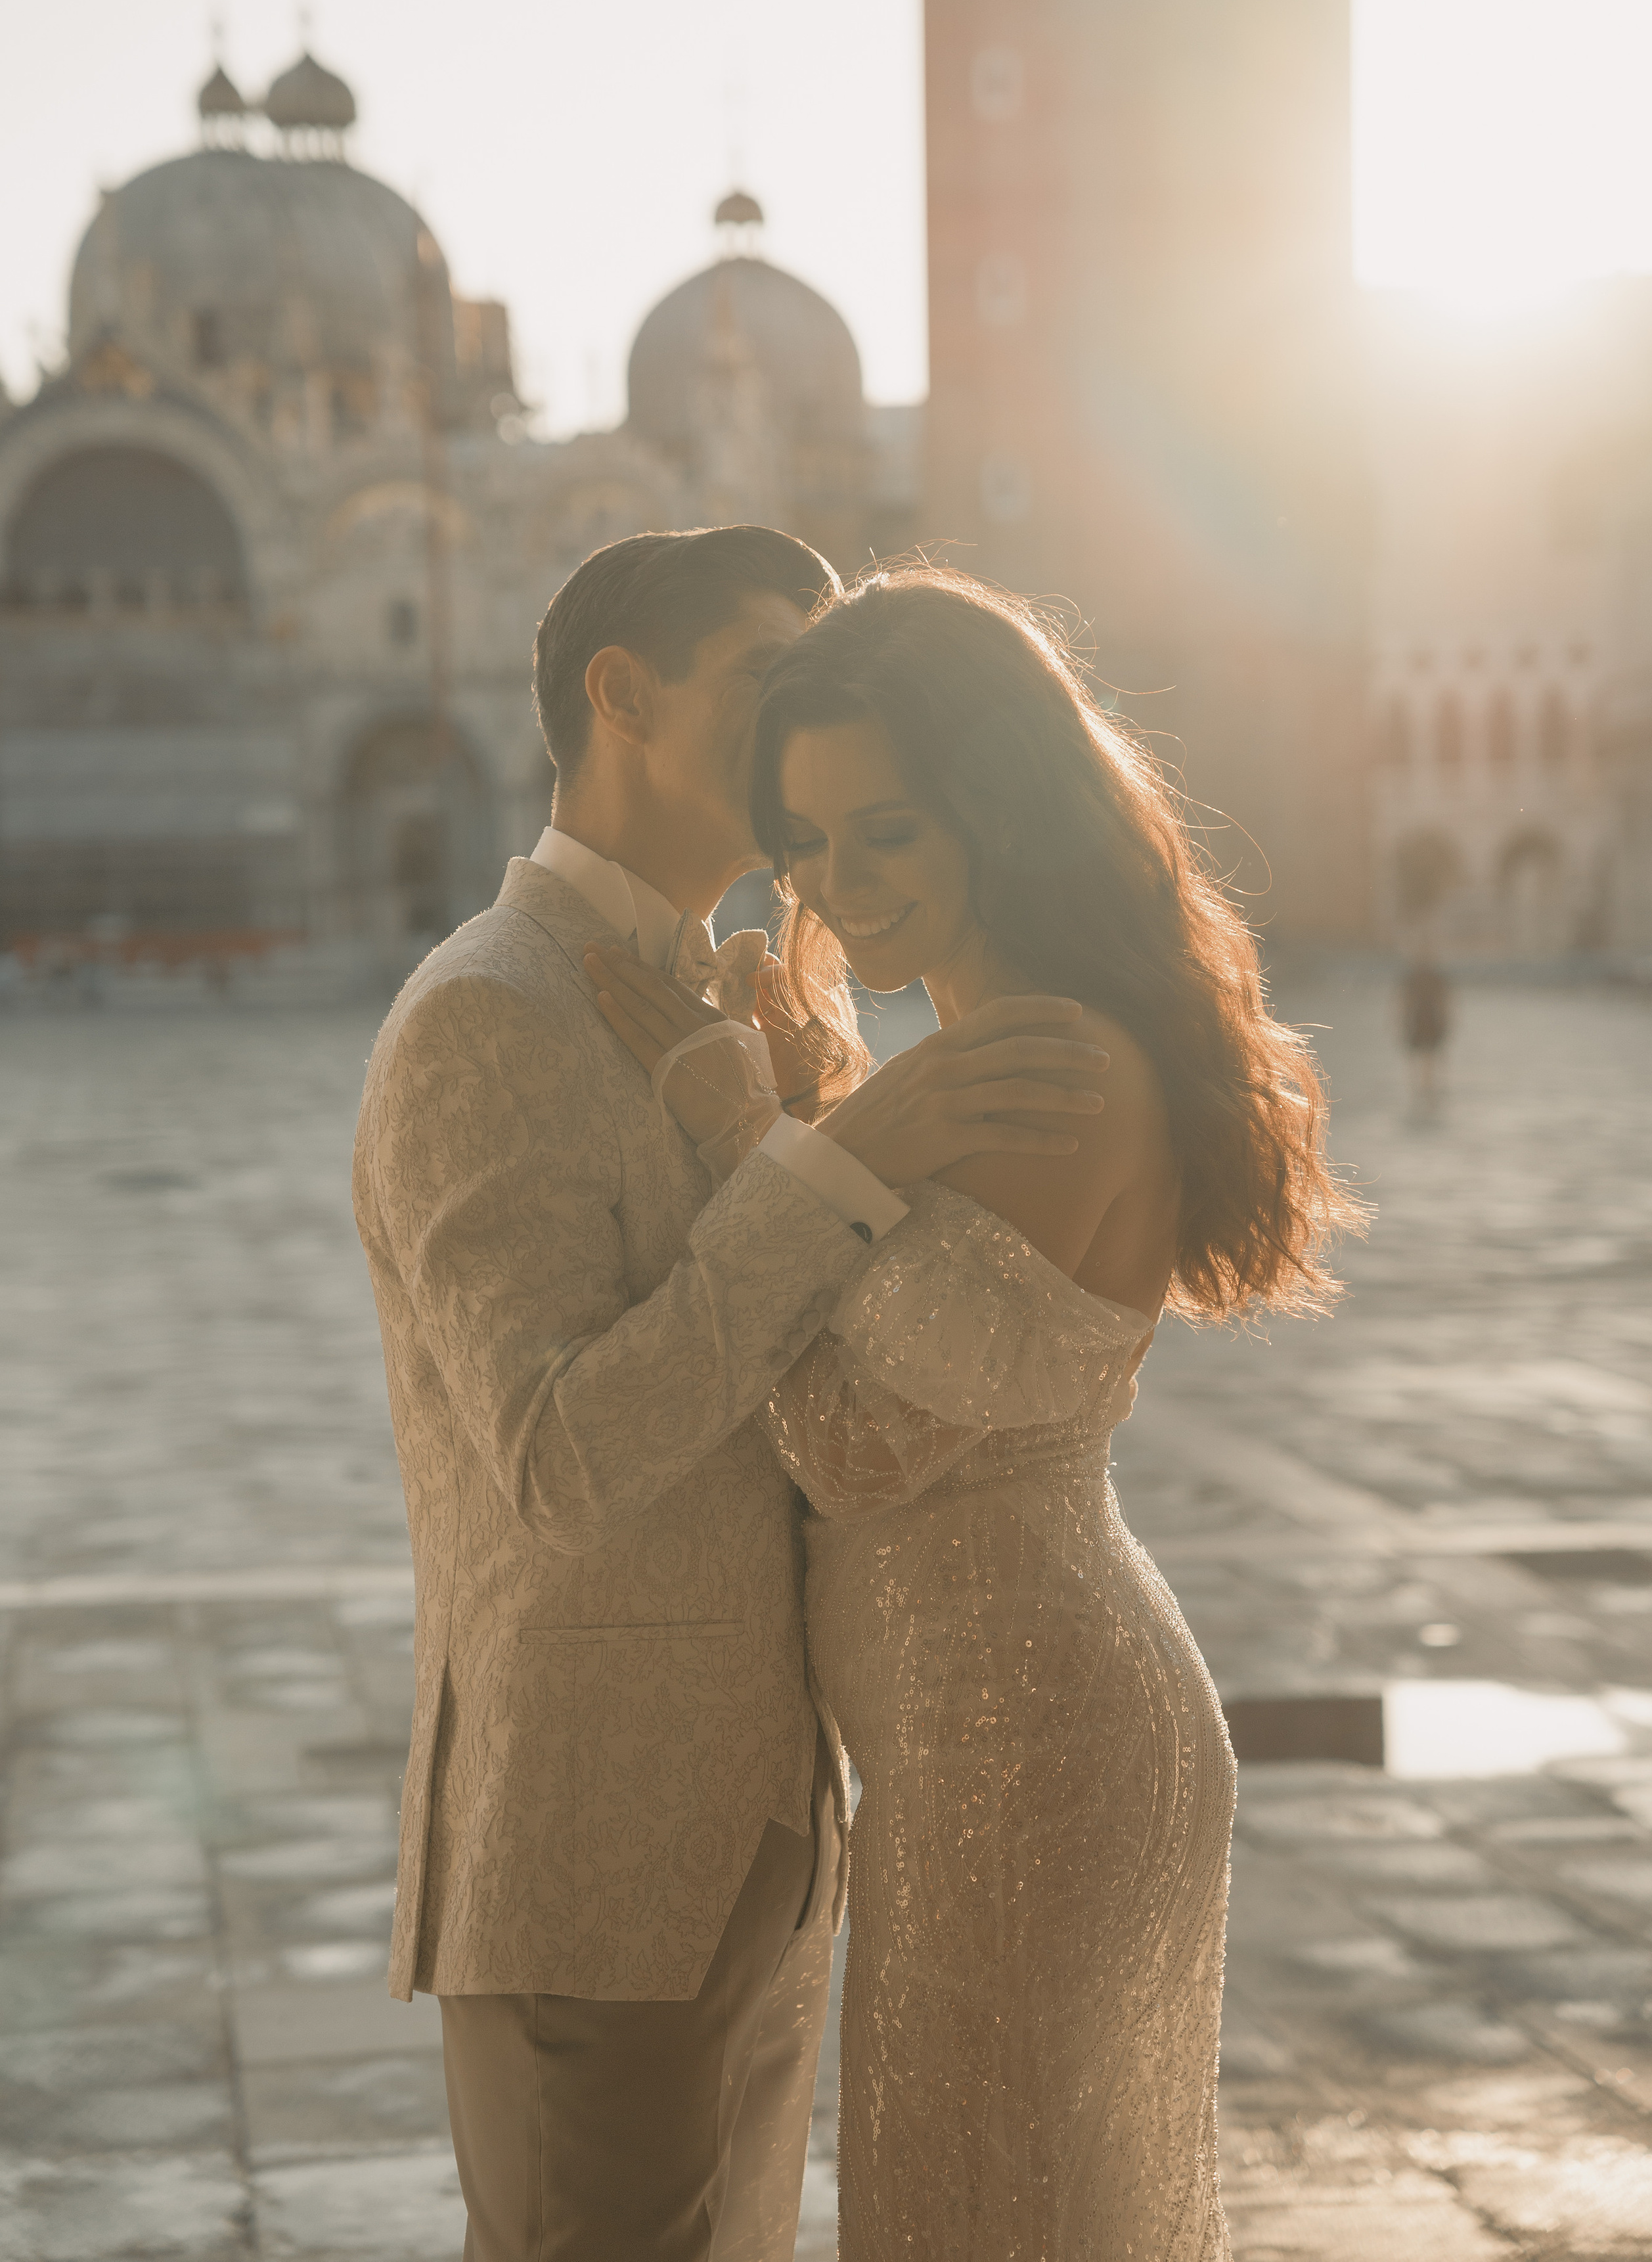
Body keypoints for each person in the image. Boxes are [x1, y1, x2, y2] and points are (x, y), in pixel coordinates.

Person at [351, 528, 1113, 2262]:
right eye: (770, 682)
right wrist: (836, 1159)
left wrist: (805, 1118)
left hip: (764, 1824)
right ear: (623, 696)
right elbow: (556, 1451)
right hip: (594, 1841)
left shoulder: (728, 990)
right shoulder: (486, 1010)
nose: (805, 738)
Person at [589, 567, 1364, 2262]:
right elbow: (892, 1304)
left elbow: (844, 1445)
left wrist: (755, 1134)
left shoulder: (1044, 1065)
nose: (831, 885)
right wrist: (831, 1113)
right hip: (988, 1748)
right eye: (802, 840)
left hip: (1027, 1755)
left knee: (976, 2217)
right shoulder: (976, 1048)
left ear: (996, 812)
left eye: (885, 832)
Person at [1400, 951, 1451, 1112]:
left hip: (1426, 1019)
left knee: (1426, 1056)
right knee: (1424, 1057)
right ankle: (1424, 1087)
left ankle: (1424, 1087)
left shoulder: (1426, 978)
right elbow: (1405, 1001)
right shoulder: (1419, 978)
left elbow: (1443, 1001)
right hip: (1423, 1019)